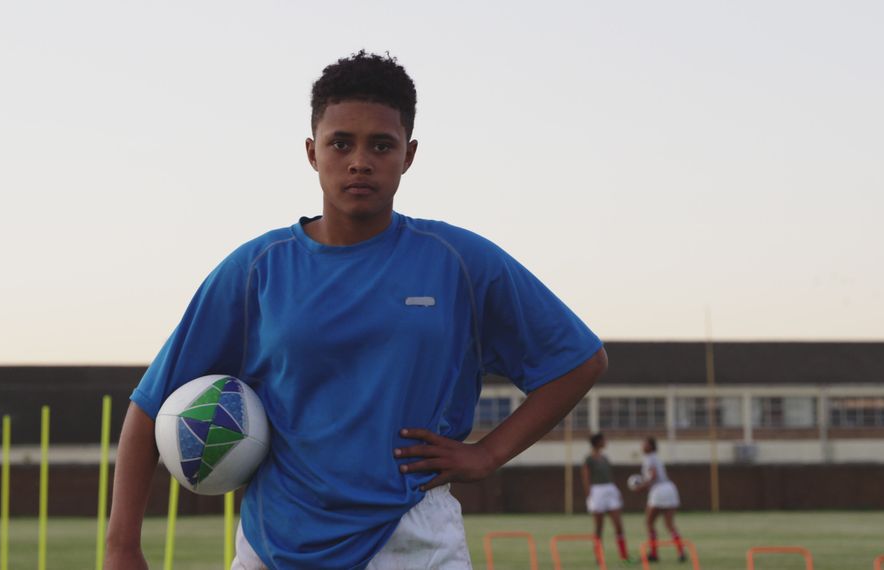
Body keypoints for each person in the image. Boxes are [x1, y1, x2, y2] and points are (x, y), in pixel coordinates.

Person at [104, 50, 607, 570]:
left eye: (381, 145)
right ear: (311, 151)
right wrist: (122, 548)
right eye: (340, 143)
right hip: (277, 544)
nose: (359, 161)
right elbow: (149, 406)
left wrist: (488, 453)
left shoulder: (459, 262)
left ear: (408, 155)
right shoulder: (257, 269)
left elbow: (579, 361)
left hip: (415, 540)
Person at [632, 437, 685, 563]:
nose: (642, 446)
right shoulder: (655, 457)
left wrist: (641, 487)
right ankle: (681, 552)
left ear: (651, 446)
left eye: (645, 443)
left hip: (659, 490)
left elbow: (653, 476)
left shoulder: (649, 458)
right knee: (669, 524)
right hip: (670, 488)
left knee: (649, 523)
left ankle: (654, 554)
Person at [582, 433, 630, 564]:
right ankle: (599, 556)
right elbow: (586, 478)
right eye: (603, 440)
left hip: (610, 489)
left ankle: (624, 556)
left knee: (618, 525)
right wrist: (589, 496)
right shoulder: (589, 459)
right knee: (599, 527)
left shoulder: (605, 458)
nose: (605, 441)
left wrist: (616, 490)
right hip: (597, 492)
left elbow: (609, 475)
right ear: (597, 442)